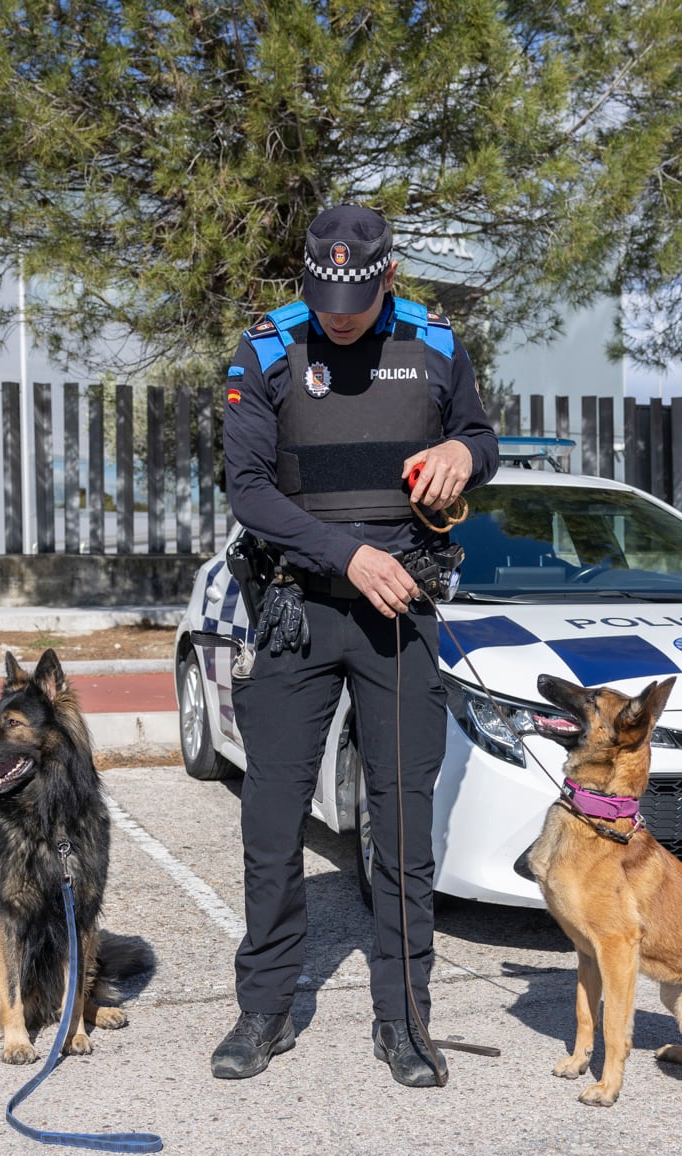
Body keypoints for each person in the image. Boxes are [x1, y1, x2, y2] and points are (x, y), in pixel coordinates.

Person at [210, 204, 498, 1087]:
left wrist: (462, 451)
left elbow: (484, 441)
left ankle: (404, 1020)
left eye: (358, 296)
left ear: (391, 272)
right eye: (324, 294)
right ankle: (264, 1010)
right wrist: (345, 553)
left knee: (403, 824)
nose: (339, 314)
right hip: (299, 604)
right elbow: (248, 489)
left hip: (399, 610)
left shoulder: (438, 345)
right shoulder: (265, 351)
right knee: (271, 819)